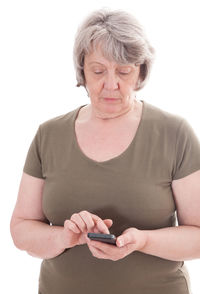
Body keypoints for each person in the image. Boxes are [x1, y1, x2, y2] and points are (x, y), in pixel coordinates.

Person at [10, 8, 200, 294]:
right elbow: (22, 229)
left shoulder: (175, 134)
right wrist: (66, 236)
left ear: (141, 71)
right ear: (82, 70)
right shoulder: (48, 135)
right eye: (98, 71)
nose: (111, 85)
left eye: (124, 71)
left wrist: (142, 241)